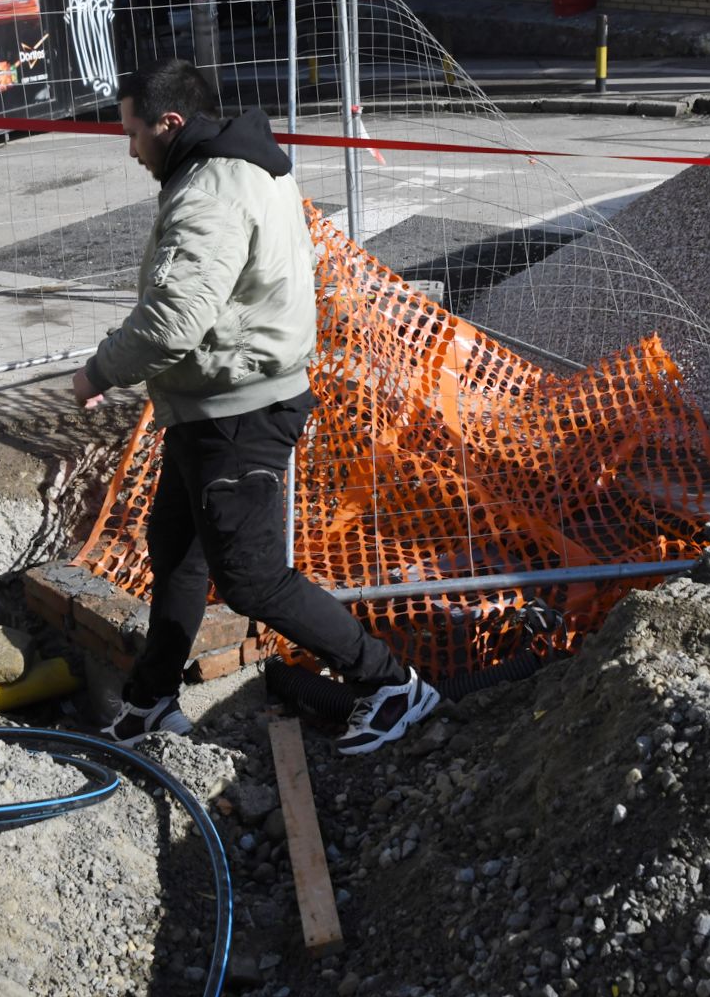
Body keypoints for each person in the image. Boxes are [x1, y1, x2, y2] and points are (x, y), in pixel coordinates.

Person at [72, 60, 439, 755]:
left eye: (133, 132)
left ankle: (391, 684)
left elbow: (173, 320)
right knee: (177, 553)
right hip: (209, 404)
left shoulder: (209, 192)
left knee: (251, 579)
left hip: (237, 413)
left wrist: (98, 372)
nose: (130, 149)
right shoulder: (240, 166)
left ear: (169, 124)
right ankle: (151, 701)